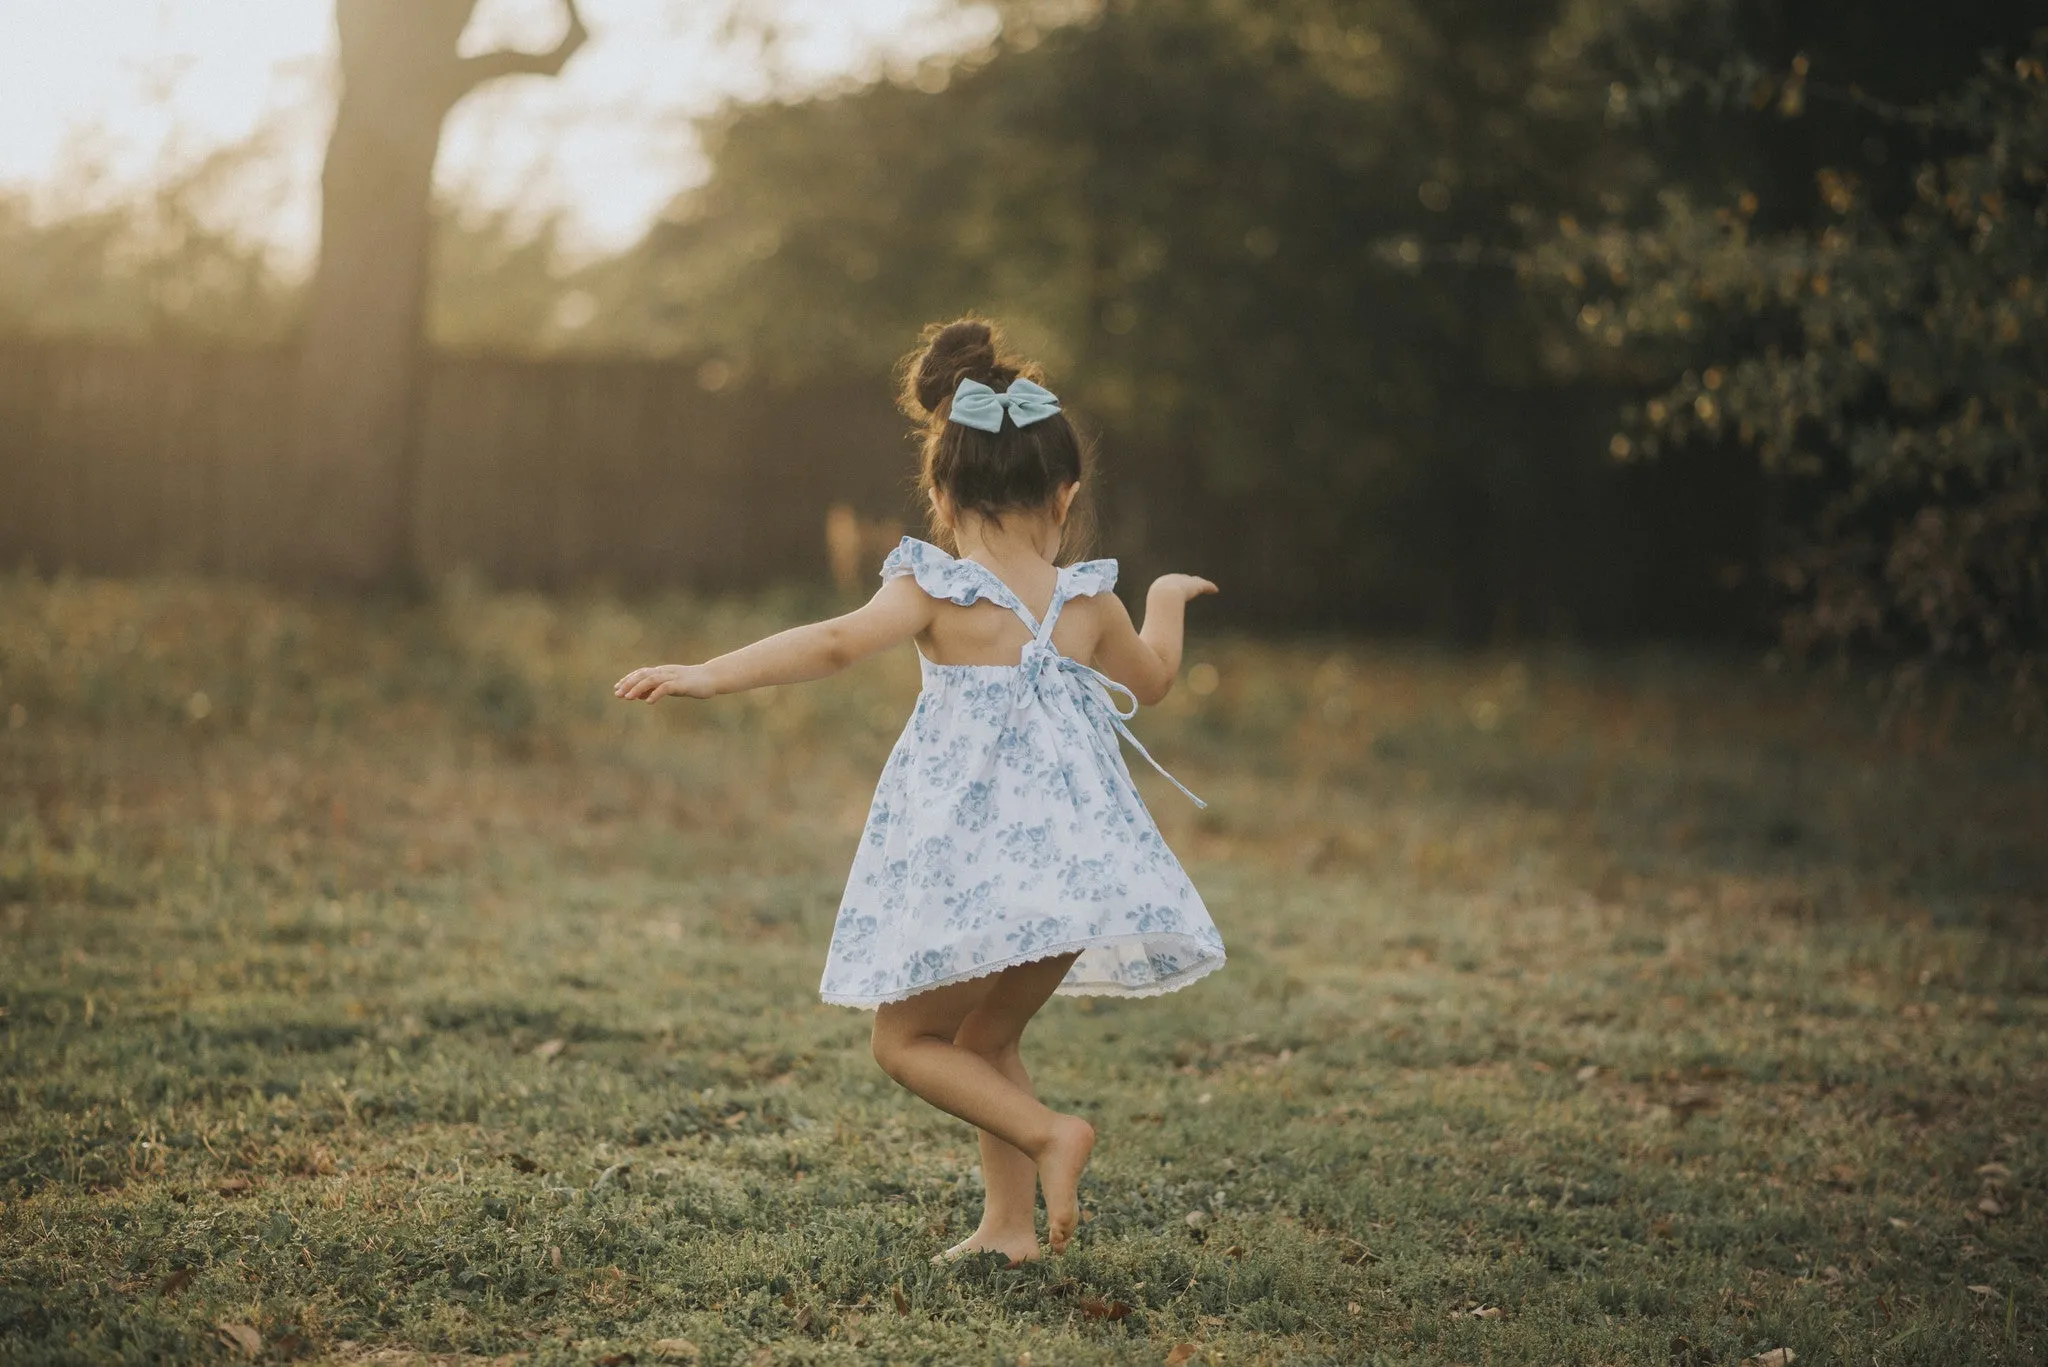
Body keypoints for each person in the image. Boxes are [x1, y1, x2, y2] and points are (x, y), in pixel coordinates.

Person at [614, 318, 1227, 1264]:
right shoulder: (1092, 600)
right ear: (1065, 493)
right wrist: (1169, 600)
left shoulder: (937, 588)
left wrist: (707, 671)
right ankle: (1010, 1228)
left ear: (941, 491)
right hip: (1074, 877)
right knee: (982, 1041)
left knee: (905, 1044)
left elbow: (828, 644)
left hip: (977, 875)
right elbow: (1152, 684)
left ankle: (1051, 1133)